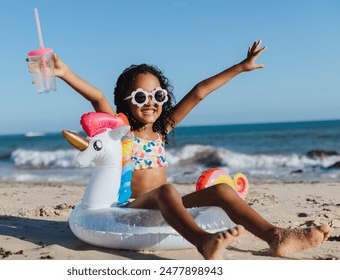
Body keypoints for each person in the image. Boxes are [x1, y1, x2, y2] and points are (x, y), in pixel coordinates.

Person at [28, 40, 331, 259]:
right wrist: (64, 72)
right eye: (140, 96)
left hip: (167, 203)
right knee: (168, 191)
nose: (150, 102)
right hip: (129, 208)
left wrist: (241, 67)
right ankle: (203, 241)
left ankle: (275, 237)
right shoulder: (120, 129)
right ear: (123, 101)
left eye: (157, 94)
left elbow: (199, 92)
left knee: (224, 192)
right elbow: (96, 97)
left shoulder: (163, 128)